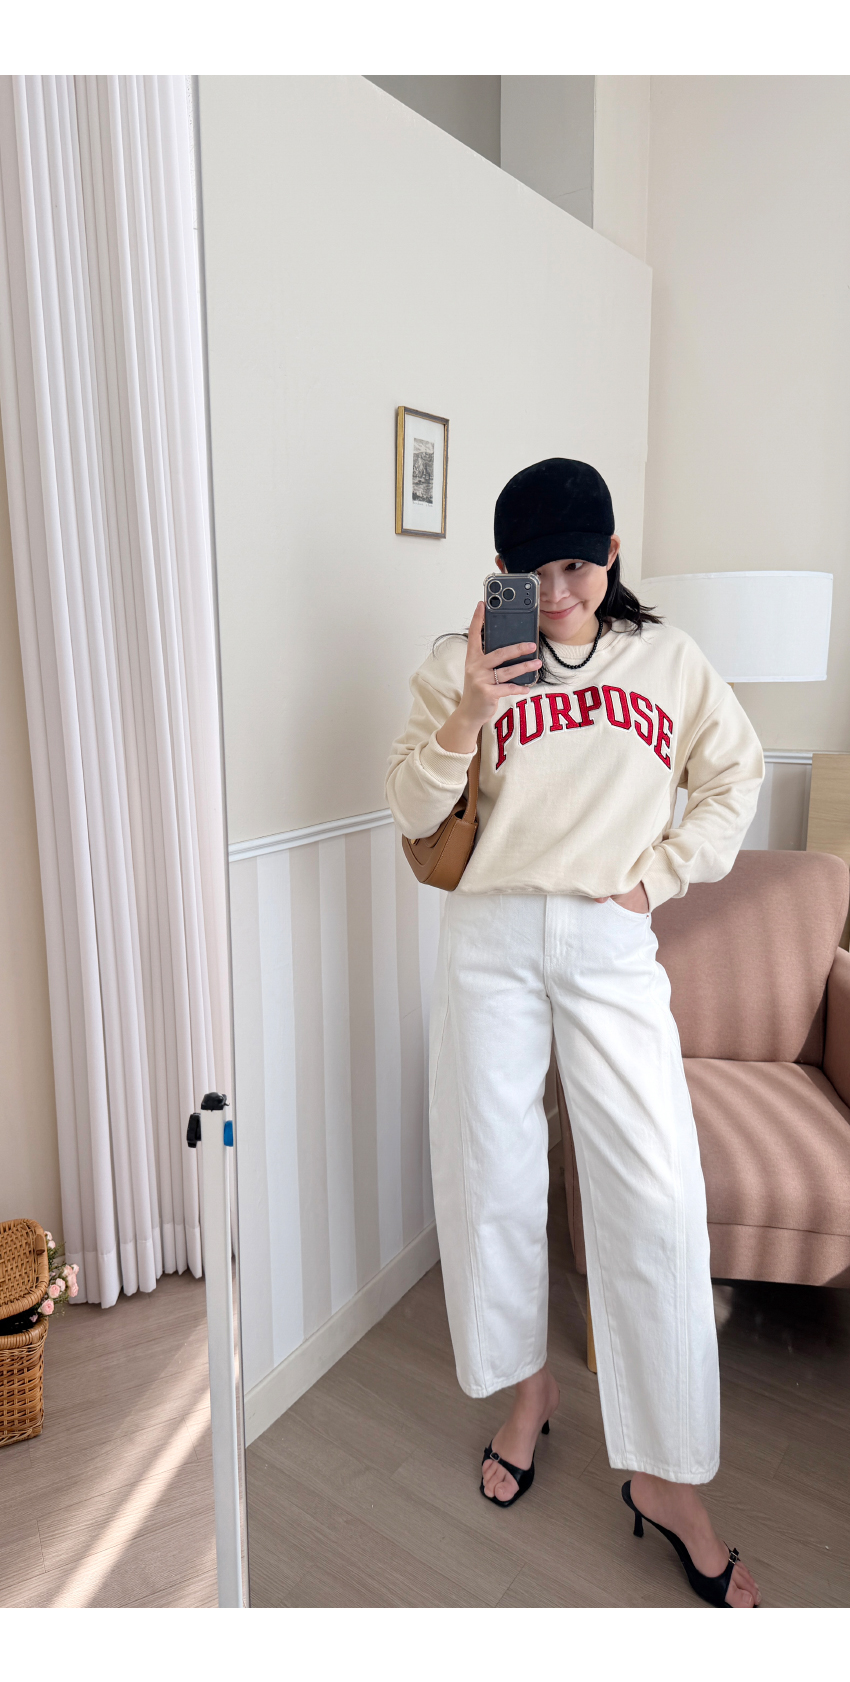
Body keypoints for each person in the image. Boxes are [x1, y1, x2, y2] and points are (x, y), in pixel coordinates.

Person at [386, 458, 765, 1608]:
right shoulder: (461, 663)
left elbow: (734, 775)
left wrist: (660, 876)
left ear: (608, 554)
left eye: (573, 565)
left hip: (609, 938)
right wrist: (469, 710)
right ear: (499, 571)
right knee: (493, 1179)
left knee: (654, 1193)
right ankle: (528, 1392)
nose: (553, 594)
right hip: (491, 933)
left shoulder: (668, 660)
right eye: (528, 570)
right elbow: (411, 808)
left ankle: (665, 1475)